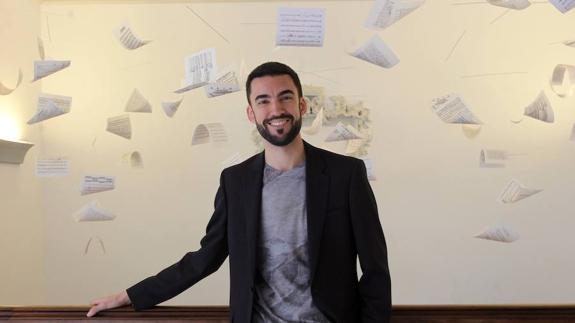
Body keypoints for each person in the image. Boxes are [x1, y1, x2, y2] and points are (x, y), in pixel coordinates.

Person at [87, 62, 391, 323]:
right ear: (251, 113)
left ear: (302, 105)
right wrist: (131, 295)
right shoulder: (235, 181)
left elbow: (375, 268)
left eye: (285, 97)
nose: (275, 109)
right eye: (263, 101)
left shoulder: (346, 174)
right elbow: (206, 257)